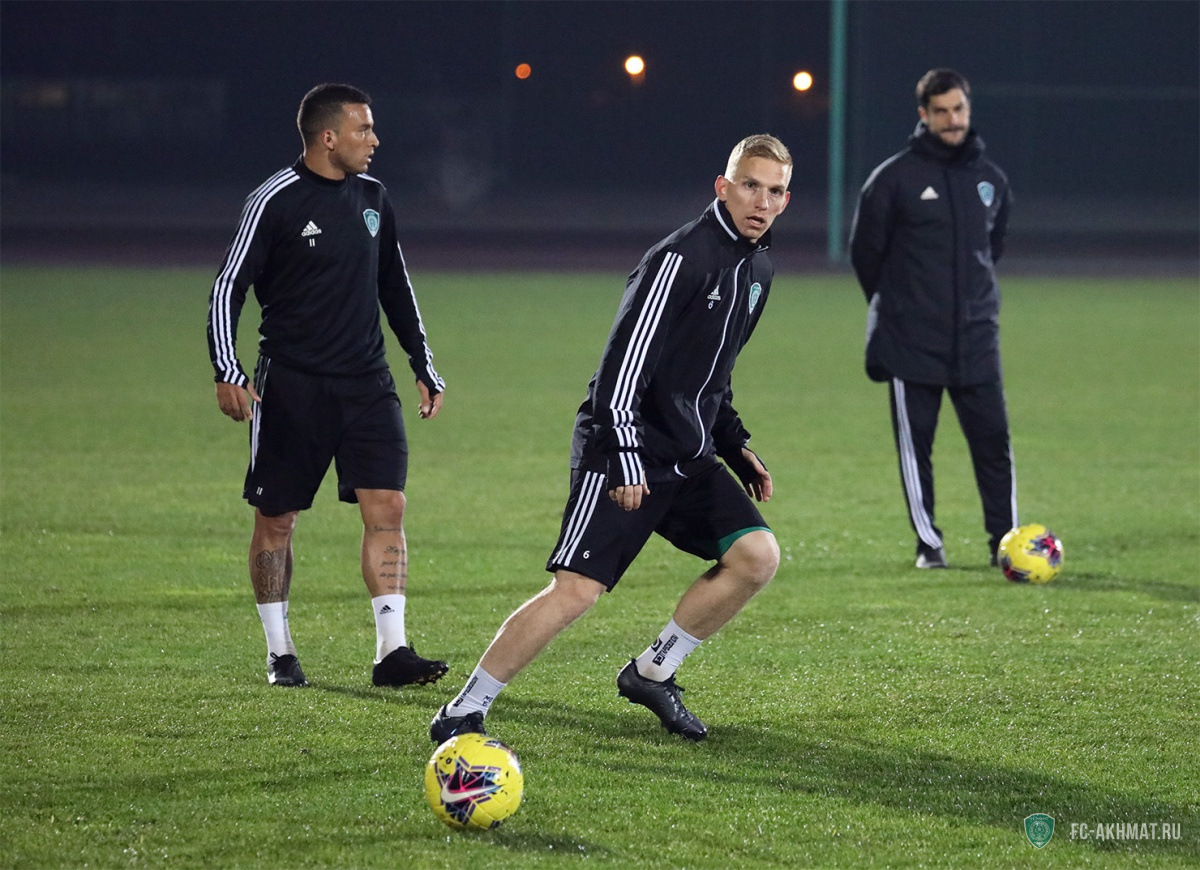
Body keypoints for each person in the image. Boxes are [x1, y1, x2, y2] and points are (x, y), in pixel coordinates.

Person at [430, 134, 792, 744]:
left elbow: (714, 373)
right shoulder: (680, 258)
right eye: (750, 185)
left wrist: (734, 445)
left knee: (756, 556)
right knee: (577, 591)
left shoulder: (758, 268)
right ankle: (465, 708)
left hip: (687, 456)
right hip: (623, 448)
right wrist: (625, 455)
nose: (761, 201)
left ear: (785, 200)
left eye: (775, 191)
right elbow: (622, 368)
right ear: (723, 187)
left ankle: (653, 672)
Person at [206, 83, 449, 688]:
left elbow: (394, 284)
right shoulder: (275, 200)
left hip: (368, 383)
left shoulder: (373, 197)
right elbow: (228, 286)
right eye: (363, 129)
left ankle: (392, 652)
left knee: (388, 507)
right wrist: (227, 368)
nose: (375, 140)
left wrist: (422, 362)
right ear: (328, 136)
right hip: (293, 386)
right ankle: (280, 652)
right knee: (277, 519)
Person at [849, 68, 1017, 570]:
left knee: (994, 444)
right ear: (924, 115)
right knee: (915, 449)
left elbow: (992, 248)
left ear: (969, 108)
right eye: (941, 111)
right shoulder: (893, 179)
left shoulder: (991, 180)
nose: (952, 119)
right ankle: (929, 544)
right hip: (912, 341)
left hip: (977, 338)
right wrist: (900, 308)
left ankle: (1005, 544)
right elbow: (866, 255)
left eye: (958, 109)